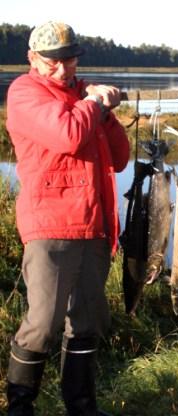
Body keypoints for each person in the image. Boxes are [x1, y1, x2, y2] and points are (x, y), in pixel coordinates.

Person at [5, 21, 130, 415]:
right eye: (52, 62)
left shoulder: (83, 95)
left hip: (94, 226)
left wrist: (106, 114)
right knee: (43, 322)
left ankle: (82, 406)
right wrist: (94, 104)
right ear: (32, 59)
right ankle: (20, 407)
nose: (62, 69)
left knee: (88, 322)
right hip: (50, 226)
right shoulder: (24, 92)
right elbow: (69, 135)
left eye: (70, 59)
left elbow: (121, 158)